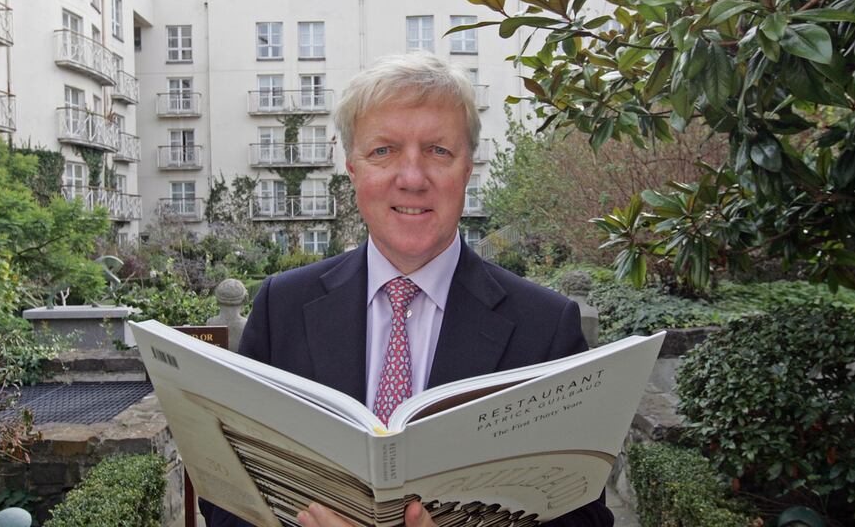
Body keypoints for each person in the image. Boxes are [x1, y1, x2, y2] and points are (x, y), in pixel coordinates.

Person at [200, 52, 614, 527]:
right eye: (383, 151)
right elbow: (226, 494)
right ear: (352, 167)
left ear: (467, 168)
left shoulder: (545, 326)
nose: (412, 178)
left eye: (438, 151)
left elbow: (584, 513)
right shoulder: (282, 307)